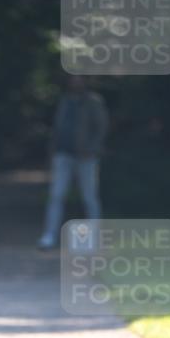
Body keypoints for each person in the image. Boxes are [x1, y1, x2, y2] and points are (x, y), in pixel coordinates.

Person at [37, 76, 109, 249]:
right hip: (63, 155)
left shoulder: (93, 102)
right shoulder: (65, 101)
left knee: (89, 197)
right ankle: (49, 235)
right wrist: (52, 151)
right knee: (56, 195)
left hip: (86, 157)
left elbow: (102, 127)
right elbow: (57, 128)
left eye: (78, 79)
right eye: (72, 79)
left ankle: (96, 238)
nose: (75, 82)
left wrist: (92, 149)